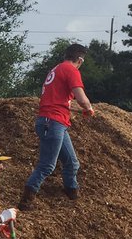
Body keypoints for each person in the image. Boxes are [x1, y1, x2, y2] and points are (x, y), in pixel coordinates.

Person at [21, 43, 95, 210]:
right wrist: (89, 108)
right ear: (80, 60)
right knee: (47, 165)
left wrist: (80, 108)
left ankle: (72, 195)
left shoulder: (56, 70)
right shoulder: (71, 70)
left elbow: (64, 102)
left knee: (72, 162)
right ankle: (26, 201)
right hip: (52, 122)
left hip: (52, 121)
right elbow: (81, 99)